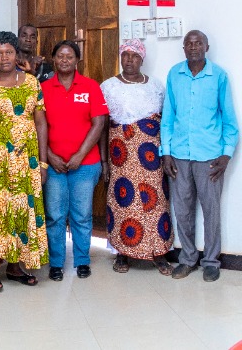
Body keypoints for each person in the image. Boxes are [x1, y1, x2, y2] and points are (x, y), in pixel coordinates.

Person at [0, 31, 47, 291]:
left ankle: (15, 266)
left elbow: (40, 123)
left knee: (20, 209)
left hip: (25, 160)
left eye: (9, 52)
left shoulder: (32, 83)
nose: (4, 58)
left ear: (16, 54)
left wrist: (43, 163)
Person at [161, 30, 236, 282]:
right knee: (182, 210)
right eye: (189, 43)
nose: (193, 47)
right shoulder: (174, 74)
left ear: (206, 47)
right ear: (183, 48)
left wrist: (226, 154)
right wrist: (166, 153)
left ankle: (211, 261)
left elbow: (229, 120)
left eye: (198, 43)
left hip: (210, 157)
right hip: (179, 156)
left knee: (211, 210)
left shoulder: (219, 76)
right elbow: (168, 118)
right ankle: (187, 259)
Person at [100, 39, 173, 275]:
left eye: (135, 56)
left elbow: (165, 121)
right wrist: (104, 161)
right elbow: (102, 126)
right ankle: (122, 253)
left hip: (151, 156)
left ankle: (159, 252)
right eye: (125, 55)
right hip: (121, 154)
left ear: (142, 59)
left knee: (155, 201)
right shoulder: (108, 87)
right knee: (123, 200)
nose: (129, 60)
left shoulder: (156, 86)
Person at [39, 40, 108, 281]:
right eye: (60, 56)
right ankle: (56, 262)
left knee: (82, 215)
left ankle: (82, 260)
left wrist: (80, 155)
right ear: (53, 59)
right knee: (55, 215)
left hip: (85, 164)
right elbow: (36, 126)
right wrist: (49, 156)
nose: (65, 60)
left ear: (77, 60)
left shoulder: (90, 86)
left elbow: (99, 123)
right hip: (54, 164)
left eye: (69, 56)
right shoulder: (43, 88)